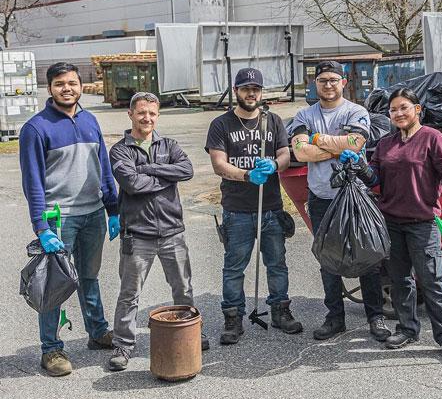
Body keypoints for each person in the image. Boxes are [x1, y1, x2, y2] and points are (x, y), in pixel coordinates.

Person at [339, 88, 442, 362]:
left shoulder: (432, 138)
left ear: (417, 109)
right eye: (393, 110)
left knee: (433, 281)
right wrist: (358, 164)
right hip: (392, 222)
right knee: (400, 281)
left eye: (403, 107)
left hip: (423, 223)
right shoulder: (386, 144)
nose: (398, 113)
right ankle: (407, 329)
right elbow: (375, 180)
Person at [19, 62, 119, 377]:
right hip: (59, 218)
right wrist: (42, 227)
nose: (68, 88)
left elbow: (103, 166)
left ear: (80, 85)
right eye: (60, 83)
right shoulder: (36, 129)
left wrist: (113, 208)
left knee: (89, 277)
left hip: (93, 214)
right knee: (54, 284)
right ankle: (51, 350)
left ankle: (97, 331)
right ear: (50, 88)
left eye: (73, 83)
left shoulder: (90, 121)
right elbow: (32, 183)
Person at [107, 92, 209, 371]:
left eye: (152, 113)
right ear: (130, 114)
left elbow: (186, 170)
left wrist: (151, 168)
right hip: (137, 235)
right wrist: (167, 176)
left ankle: (191, 333)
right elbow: (132, 185)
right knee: (129, 294)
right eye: (141, 113)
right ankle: (123, 346)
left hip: (172, 232)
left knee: (183, 289)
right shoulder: (119, 150)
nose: (147, 118)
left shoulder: (169, 144)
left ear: (158, 115)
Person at [291, 60, 391, 342]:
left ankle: (376, 317)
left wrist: (317, 139)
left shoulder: (356, 111)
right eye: (323, 80)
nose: (328, 85)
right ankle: (334, 317)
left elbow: (355, 144)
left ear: (344, 82)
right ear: (316, 84)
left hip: (356, 195)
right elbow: (301, 153)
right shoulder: (303, 114)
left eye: (334, 79)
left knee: (367, 255)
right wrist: (336, 147)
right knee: (328, 258)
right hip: (322, 198)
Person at [205, 67, 302, 345]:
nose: (251, 93)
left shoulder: (272, 122)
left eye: (256, 89)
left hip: (270, 207)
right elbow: (218, 164)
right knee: (234, 268)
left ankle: (280, 311)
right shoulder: (221, 125)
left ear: (261, 92)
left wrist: (274, 164)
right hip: (237, 210)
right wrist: (247, 175)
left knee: (277, 264)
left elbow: (284, 154)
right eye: (246, 89)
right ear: (236, 91)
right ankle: (233, 317)